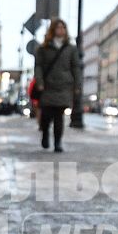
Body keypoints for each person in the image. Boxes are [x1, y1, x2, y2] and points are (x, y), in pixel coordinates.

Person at [33, 20, 79, 151]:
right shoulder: (43, 48)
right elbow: (38, 67)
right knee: (46, 114)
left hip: (64, 86)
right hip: (48, 86)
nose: (61, 30)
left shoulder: (71, 49)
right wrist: (40, 82)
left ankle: (58, 142)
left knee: (59, 116)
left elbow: (76, 68)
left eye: (63, 27)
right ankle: (45, 134)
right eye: (58, 27)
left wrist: (77, 85)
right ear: (52, 30)